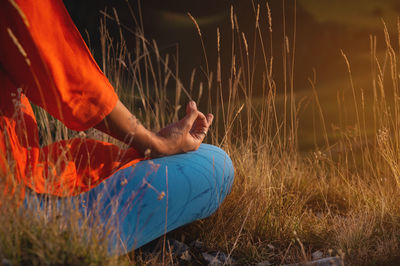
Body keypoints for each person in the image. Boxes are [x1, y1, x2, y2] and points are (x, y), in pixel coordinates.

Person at [0, 0, 234, 254]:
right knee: (216, 165)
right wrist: (153, 143)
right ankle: (55, 241)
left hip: (23, 173)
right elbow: (57, 60)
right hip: (16, 198)